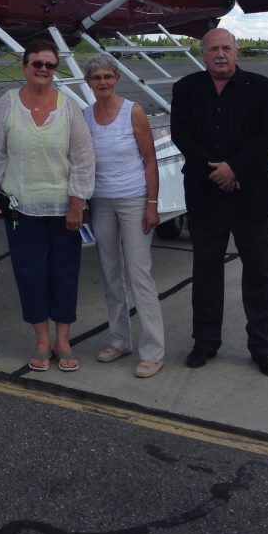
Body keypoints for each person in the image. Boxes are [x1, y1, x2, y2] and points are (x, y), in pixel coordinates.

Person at [170, 27, 268, 377]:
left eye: (227, 48)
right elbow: (181, 134)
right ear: (203, 54)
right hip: (206, 196)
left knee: (260, 275)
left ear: (237, 52)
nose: (220, 54)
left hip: (252, 196)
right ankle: (205, 343)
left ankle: (263, 348)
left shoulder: (264, 89)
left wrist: (234, 168)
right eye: (213, 49)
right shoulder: (186, 89)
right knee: (205, 274)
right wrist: (216, 172)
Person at [0, 38, 95, 372]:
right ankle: (41, 340)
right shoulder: (8, 103)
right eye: (36, 64)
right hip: (21, 208)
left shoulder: (69, 106)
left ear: (55, 70)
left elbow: (83, 159)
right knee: (30, 274)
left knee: (64, 274)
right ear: (25, 67)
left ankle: (63, 340)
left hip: (63, 211)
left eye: (49, 65)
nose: (43, 69)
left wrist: (77, 202)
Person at [83, 53, 165, 378]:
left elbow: (149, 160)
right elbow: (83, 162)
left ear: (116, 79)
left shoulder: (134, 112)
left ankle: (153, 350)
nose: (103, 82)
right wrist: (85, 205)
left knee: (139, 273)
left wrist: (152, 204)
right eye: (96, 78)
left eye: (108, 76)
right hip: (101, 201)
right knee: (109, 272)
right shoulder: (85, 116)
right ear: (88, 83)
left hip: (133, 199)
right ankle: (120, 340)